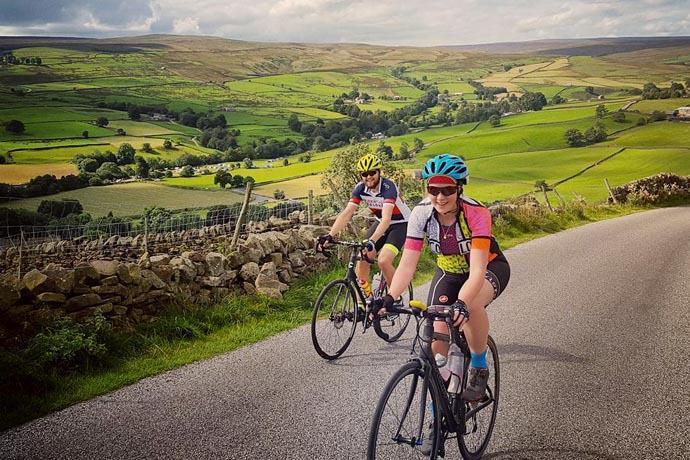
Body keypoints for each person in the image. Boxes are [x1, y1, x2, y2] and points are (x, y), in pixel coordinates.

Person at [376, 154, 510, 402]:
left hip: (487, 268)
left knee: (470, 304)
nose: (440, 196)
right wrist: (390, 297)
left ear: (459, 188)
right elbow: (407, 265)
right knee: (436, 345)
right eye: (433, 189)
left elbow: (478, 271)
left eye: (447, 189)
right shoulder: (421, 214)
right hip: (448, 271)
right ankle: (442, 408)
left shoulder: (476, 213)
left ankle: (479, 366)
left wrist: (461, 303)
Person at [316, 153, 411, 296]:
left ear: (379, 172)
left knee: (384, 261)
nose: (368, 177)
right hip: (380, 222)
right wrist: (330, 235)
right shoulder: (360, 188)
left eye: (372, 172)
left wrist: (372, 240)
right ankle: (365, 299)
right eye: (364, 174)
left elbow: (387, 219)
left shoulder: (388, 187)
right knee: (362, 257)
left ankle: (394, 297)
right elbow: (347, 213)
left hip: (400, 224)